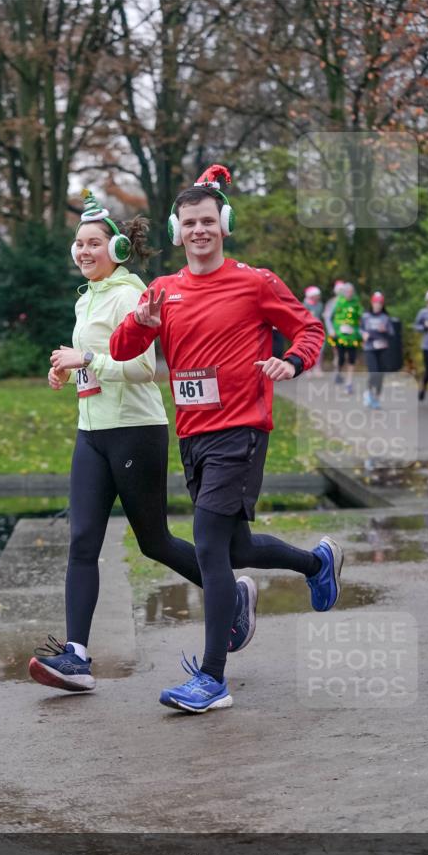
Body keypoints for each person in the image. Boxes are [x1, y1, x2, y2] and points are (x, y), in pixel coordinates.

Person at [109, 164, 344, 714]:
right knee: (236, 547)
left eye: (208, 221)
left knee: (209, 546)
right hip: (193, 436)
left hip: (241, 430)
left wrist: (291, 361)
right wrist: (142, 322)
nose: (199, 230)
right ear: (177, 231)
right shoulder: (163, 292)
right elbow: (121, 351)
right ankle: (317, 564)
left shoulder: (255, 282)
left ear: (224, 225)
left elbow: (309, 328)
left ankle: (212, 678)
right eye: (190, 222)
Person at [28, 190, 256, 694]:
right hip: (91, 432)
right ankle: (76, 656)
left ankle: (232, 595)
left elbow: (142, 368)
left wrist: (86, 360)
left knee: (154, 542)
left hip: (135, 431)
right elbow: (93, 363)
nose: (84, 251)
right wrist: (68, 371)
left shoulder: (132, 295)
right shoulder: (87, 297)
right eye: (78, 244)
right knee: (82, 541)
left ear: (117, 250)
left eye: (94, 243)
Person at [360, 291, 394, 409]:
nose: (378, 305)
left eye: (380, 303)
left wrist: (385, 330)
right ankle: (369, 392)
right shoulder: (366, 316)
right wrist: (363, 334)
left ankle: (376, 398)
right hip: (370, 348)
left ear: (382, 304)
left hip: (383, 348)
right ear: (372, 303)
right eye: (376, 302)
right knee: (374, 372)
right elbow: (359, 329)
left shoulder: (385, 317)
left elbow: (392, 333)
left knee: (381, 375)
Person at [331, 282, 362, 393]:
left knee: (352, 359)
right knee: (341, 358)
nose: (349, 294)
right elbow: (330, 317)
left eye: (351, 292)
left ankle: (349, 383)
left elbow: (361, 318)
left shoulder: (356, 303)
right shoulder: (337, 302)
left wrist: (358, 330)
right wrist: (333, 330)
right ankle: (338, 372)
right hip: (340, 336)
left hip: (353, 337)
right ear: (343, 292)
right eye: (347, 292)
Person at [303, 286, 324, 376]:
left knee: (320, 348)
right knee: (308, 348)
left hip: (318, 328)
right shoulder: (305, 305)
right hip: (308, 329)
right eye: (317, 295)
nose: (318, 297)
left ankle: (317, 367)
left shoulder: (320, 305)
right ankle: (308, 368)